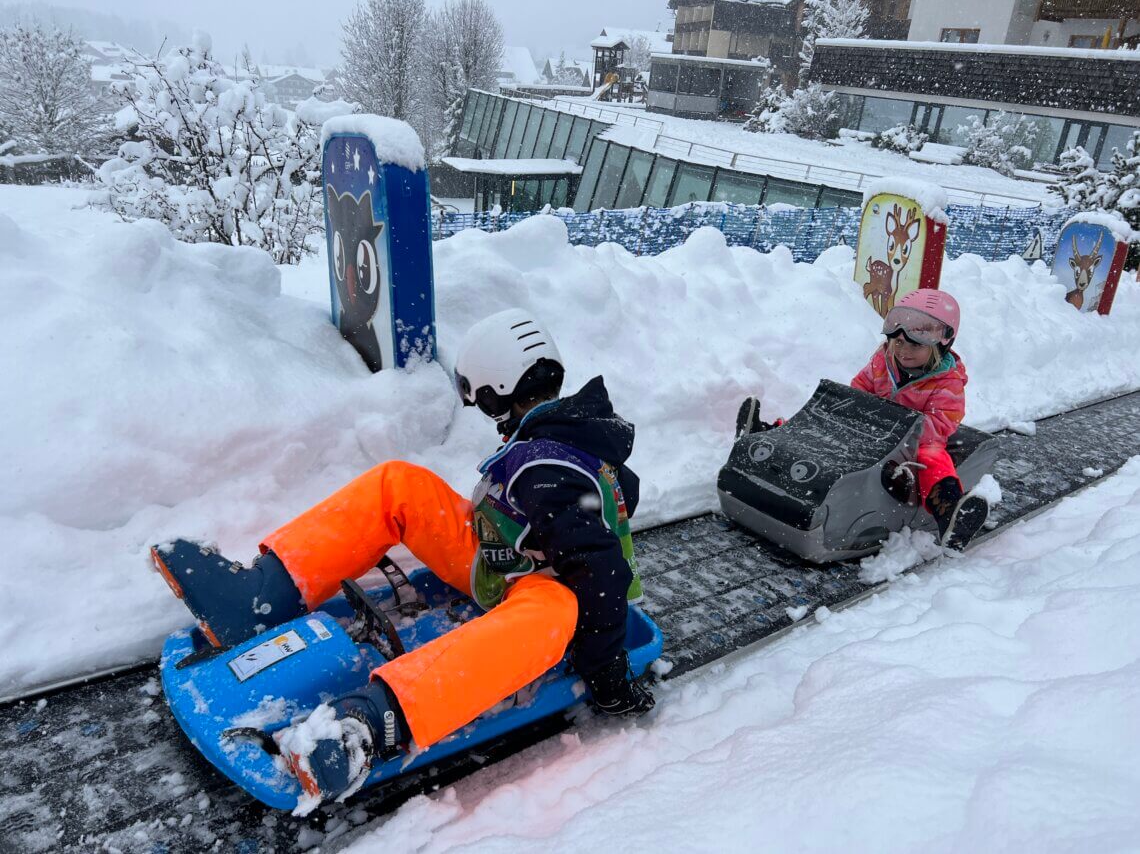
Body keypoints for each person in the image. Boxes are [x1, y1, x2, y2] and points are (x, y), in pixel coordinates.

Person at [151, 308, 654, 808]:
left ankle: (368, 725)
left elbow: (602, 572)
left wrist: (608, 673)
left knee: (557, 609)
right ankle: (258, 597)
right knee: (400, 484)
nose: (487, 414)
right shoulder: (552, 440)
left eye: (483, 401)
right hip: (497, 562)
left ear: (499, 389)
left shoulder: (550, 469)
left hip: (544, 595)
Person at [736, 289, 988, 551]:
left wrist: (903, 428)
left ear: (942, 343)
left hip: (912, 445)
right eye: (898, 342)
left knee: (934, 457)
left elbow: (943, 425)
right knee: (822, 423)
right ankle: (768, 437)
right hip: (868, 430)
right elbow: (859, 388)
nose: (903, 351)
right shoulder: (883, 361)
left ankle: (950, 514)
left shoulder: (947, 382)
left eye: (914, 344)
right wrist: (851, 411)